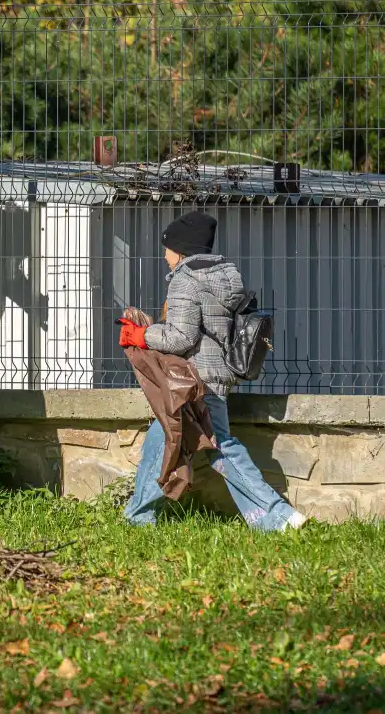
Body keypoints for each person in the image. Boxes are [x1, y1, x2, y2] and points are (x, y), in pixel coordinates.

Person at [118, 211, 308, 532]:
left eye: (167, 248)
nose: (164, 255)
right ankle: (138, 517)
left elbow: (180, 337)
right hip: (216, 375)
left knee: (221, 450)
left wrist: (140, 335)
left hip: (191, 382)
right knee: (163, 440)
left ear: (181, 249)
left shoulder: (186, 280)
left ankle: (278, 517)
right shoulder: (226, 276)